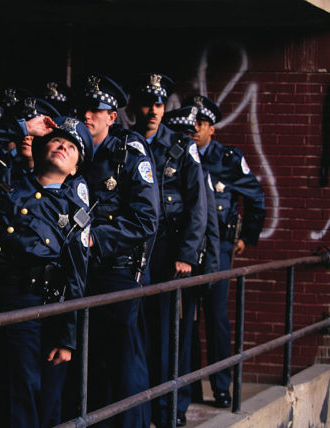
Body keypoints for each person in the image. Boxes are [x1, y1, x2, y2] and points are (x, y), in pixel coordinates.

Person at [0, 105, 92, 427]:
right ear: (39, 145)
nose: (63, 146)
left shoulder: (75, 213)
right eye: (57, 140)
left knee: (25, 395)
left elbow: (77, 276)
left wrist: (68, 338)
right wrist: (22, 125)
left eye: (72, 147)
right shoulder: (7, 180)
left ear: (76, 168)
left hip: (36, 308)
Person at [76, 73, 159, 428]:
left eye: (97, 110)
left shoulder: (129, 152)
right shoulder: (72, 150)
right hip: (80, 273)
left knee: (124, 362)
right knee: (89, 363)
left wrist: (99, 238)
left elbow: (146, 218)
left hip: (119, 271)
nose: (88, 116)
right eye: (84, 109)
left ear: (113, 116)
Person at [130, 73, 207, 428]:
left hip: (165, 252)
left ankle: (165, 412)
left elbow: (197, 205)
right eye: (147, 103)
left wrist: (187, 255)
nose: (153, 111)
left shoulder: (180, 145)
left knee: (163, 335)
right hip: (130, 252)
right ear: (134, 106)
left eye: (159, 104)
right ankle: (137, 411)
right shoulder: (124, 143)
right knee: (132, 332)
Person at [182, 94, 265, 409]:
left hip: (219, 248)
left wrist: (247, 236)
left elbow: (255, 195)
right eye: (191, 124)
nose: (194, 130)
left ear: (211, 129)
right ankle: (188, 387)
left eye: (200, 125)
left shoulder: (227, 159)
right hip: (188, 250)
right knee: (186, 320)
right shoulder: (179, 155)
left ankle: (220, 387)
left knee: (216, 319)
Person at [163, 106, 220, 426]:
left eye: (189, 135)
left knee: (181, 339)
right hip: (167, 267)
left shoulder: (197, 171)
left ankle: (178, 406)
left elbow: (207, 223)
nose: (186, 142)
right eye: (180, 135)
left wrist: (207, 271)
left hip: (187, 269)